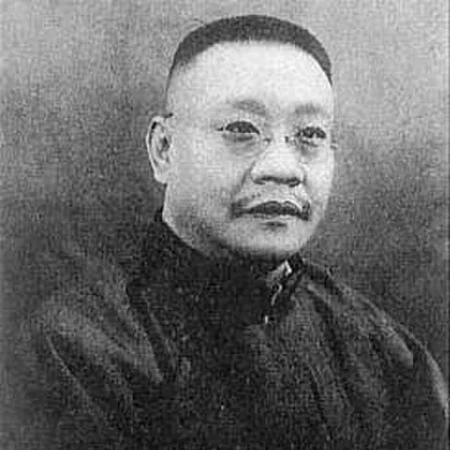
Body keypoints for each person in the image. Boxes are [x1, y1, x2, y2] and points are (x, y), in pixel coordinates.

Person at [2, 15, 447, 449]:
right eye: (241, 129)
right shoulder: (78, 351)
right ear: (163, 149)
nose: (283, 168)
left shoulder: (387, 354)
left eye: (309, 134)